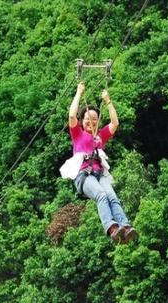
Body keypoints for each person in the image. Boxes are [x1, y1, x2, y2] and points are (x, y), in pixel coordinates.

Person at [60, 82, 138, 244]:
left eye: (95, 119)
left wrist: (108, 101)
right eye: (88, 119)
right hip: (84, 174)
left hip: (98, 173)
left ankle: (125, 226)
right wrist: (78, 93)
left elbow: (115, 123)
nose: (92, 121)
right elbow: (71, 116)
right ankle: (112, 228)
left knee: (112, 197)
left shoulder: (100, 136)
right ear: (83, 122)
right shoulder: (78, 134)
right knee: (101, 196)